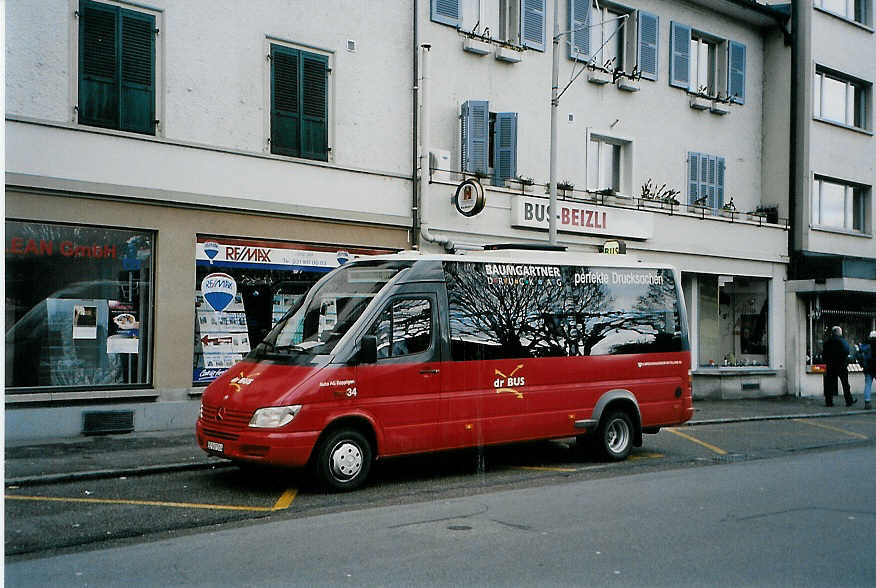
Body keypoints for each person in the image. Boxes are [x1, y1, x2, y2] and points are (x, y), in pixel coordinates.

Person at [822, 326, 856, 407]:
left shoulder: (827, 342)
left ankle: (829, 402)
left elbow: (824, 354)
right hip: (841, 365)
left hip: (830, 366)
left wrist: (827, 362)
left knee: (829, 384)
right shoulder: (842, 341)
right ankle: (849, 401)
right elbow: (847, 351)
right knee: (845, 384)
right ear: (838, 332)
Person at [857, 330, 875, 410]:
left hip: (869, 368)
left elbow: (860, 353)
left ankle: (867, 402)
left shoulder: (867, 345)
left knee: (868, 385)